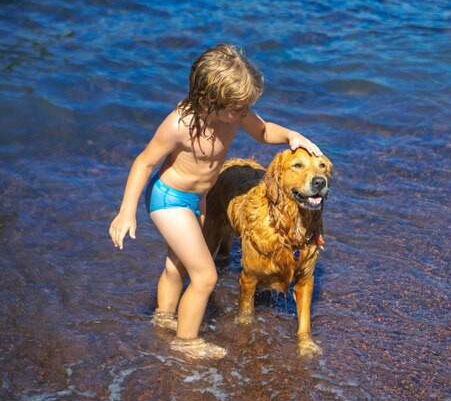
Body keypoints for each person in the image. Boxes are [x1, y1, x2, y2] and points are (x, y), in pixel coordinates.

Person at [108, 44, 322, 359]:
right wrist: (126, 212)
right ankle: (186, 340)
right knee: (206, 275)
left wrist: (292, 135)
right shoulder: (179, 125)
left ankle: (163, 317)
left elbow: (263, 132)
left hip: (198, 199)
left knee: (177, 265)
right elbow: (144, 163)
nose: (244, 114)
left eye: (246, 107)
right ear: (210, 100)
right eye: (238, 108)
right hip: (169, 199)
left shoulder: (235, 112)